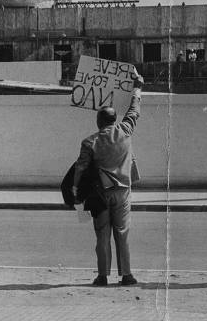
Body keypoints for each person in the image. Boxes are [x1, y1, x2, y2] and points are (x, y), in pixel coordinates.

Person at [72, 73, 144, 287]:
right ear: (114, 120)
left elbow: (80, 167)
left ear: (99, 121)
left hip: (100, 194)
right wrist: (137, 88)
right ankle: (127, 275)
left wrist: (76, 189)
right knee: (122, 232)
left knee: (102, 234)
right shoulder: (125, 130)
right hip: (123, 192)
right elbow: (134, 111)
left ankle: (102, 275)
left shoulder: (90, 142)